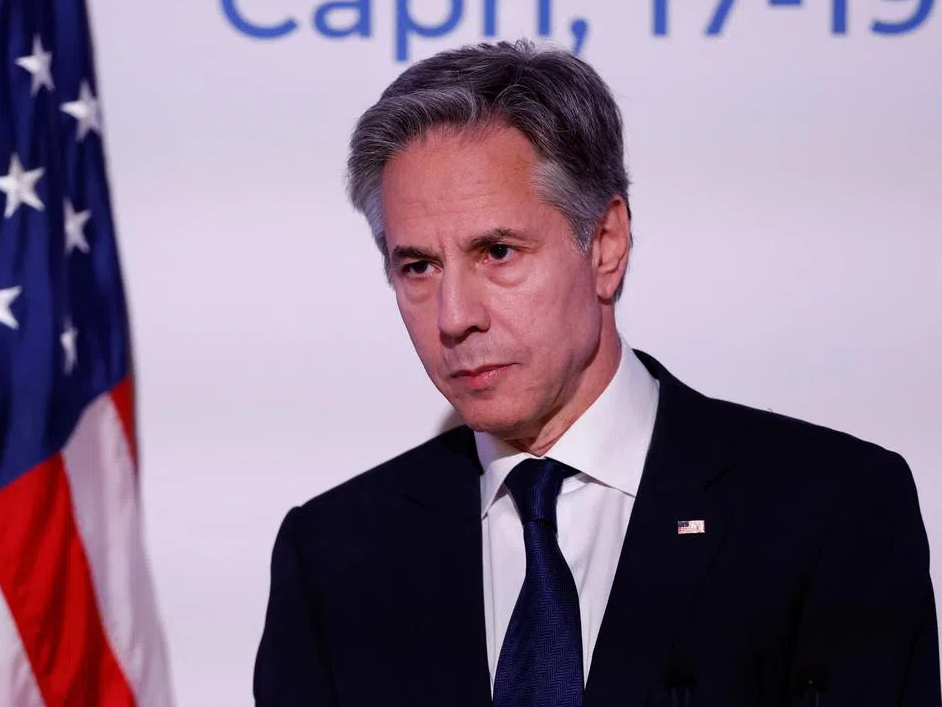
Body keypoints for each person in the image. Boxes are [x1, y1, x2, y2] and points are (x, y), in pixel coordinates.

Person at [252, 39, 940, 706]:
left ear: (605, 244)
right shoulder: (335, 557)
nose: (454, 316)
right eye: (418, 267)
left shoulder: (826, 511)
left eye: (497, 251)